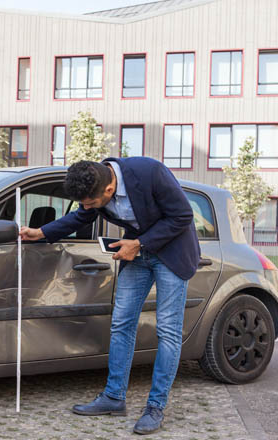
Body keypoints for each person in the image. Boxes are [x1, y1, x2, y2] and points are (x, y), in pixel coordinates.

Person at [19, 157, 200, 435]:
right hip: (135, 252)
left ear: (109, 189)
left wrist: (139, 243)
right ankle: (114, 398)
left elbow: (182, 216)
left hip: (171, 253)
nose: (87, 207)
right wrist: (41, 232)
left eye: (91, 203)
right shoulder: (95, 184)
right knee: (121, 323)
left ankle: (155, 406)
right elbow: (81, 216)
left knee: (168, 330)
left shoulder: (150, 172)